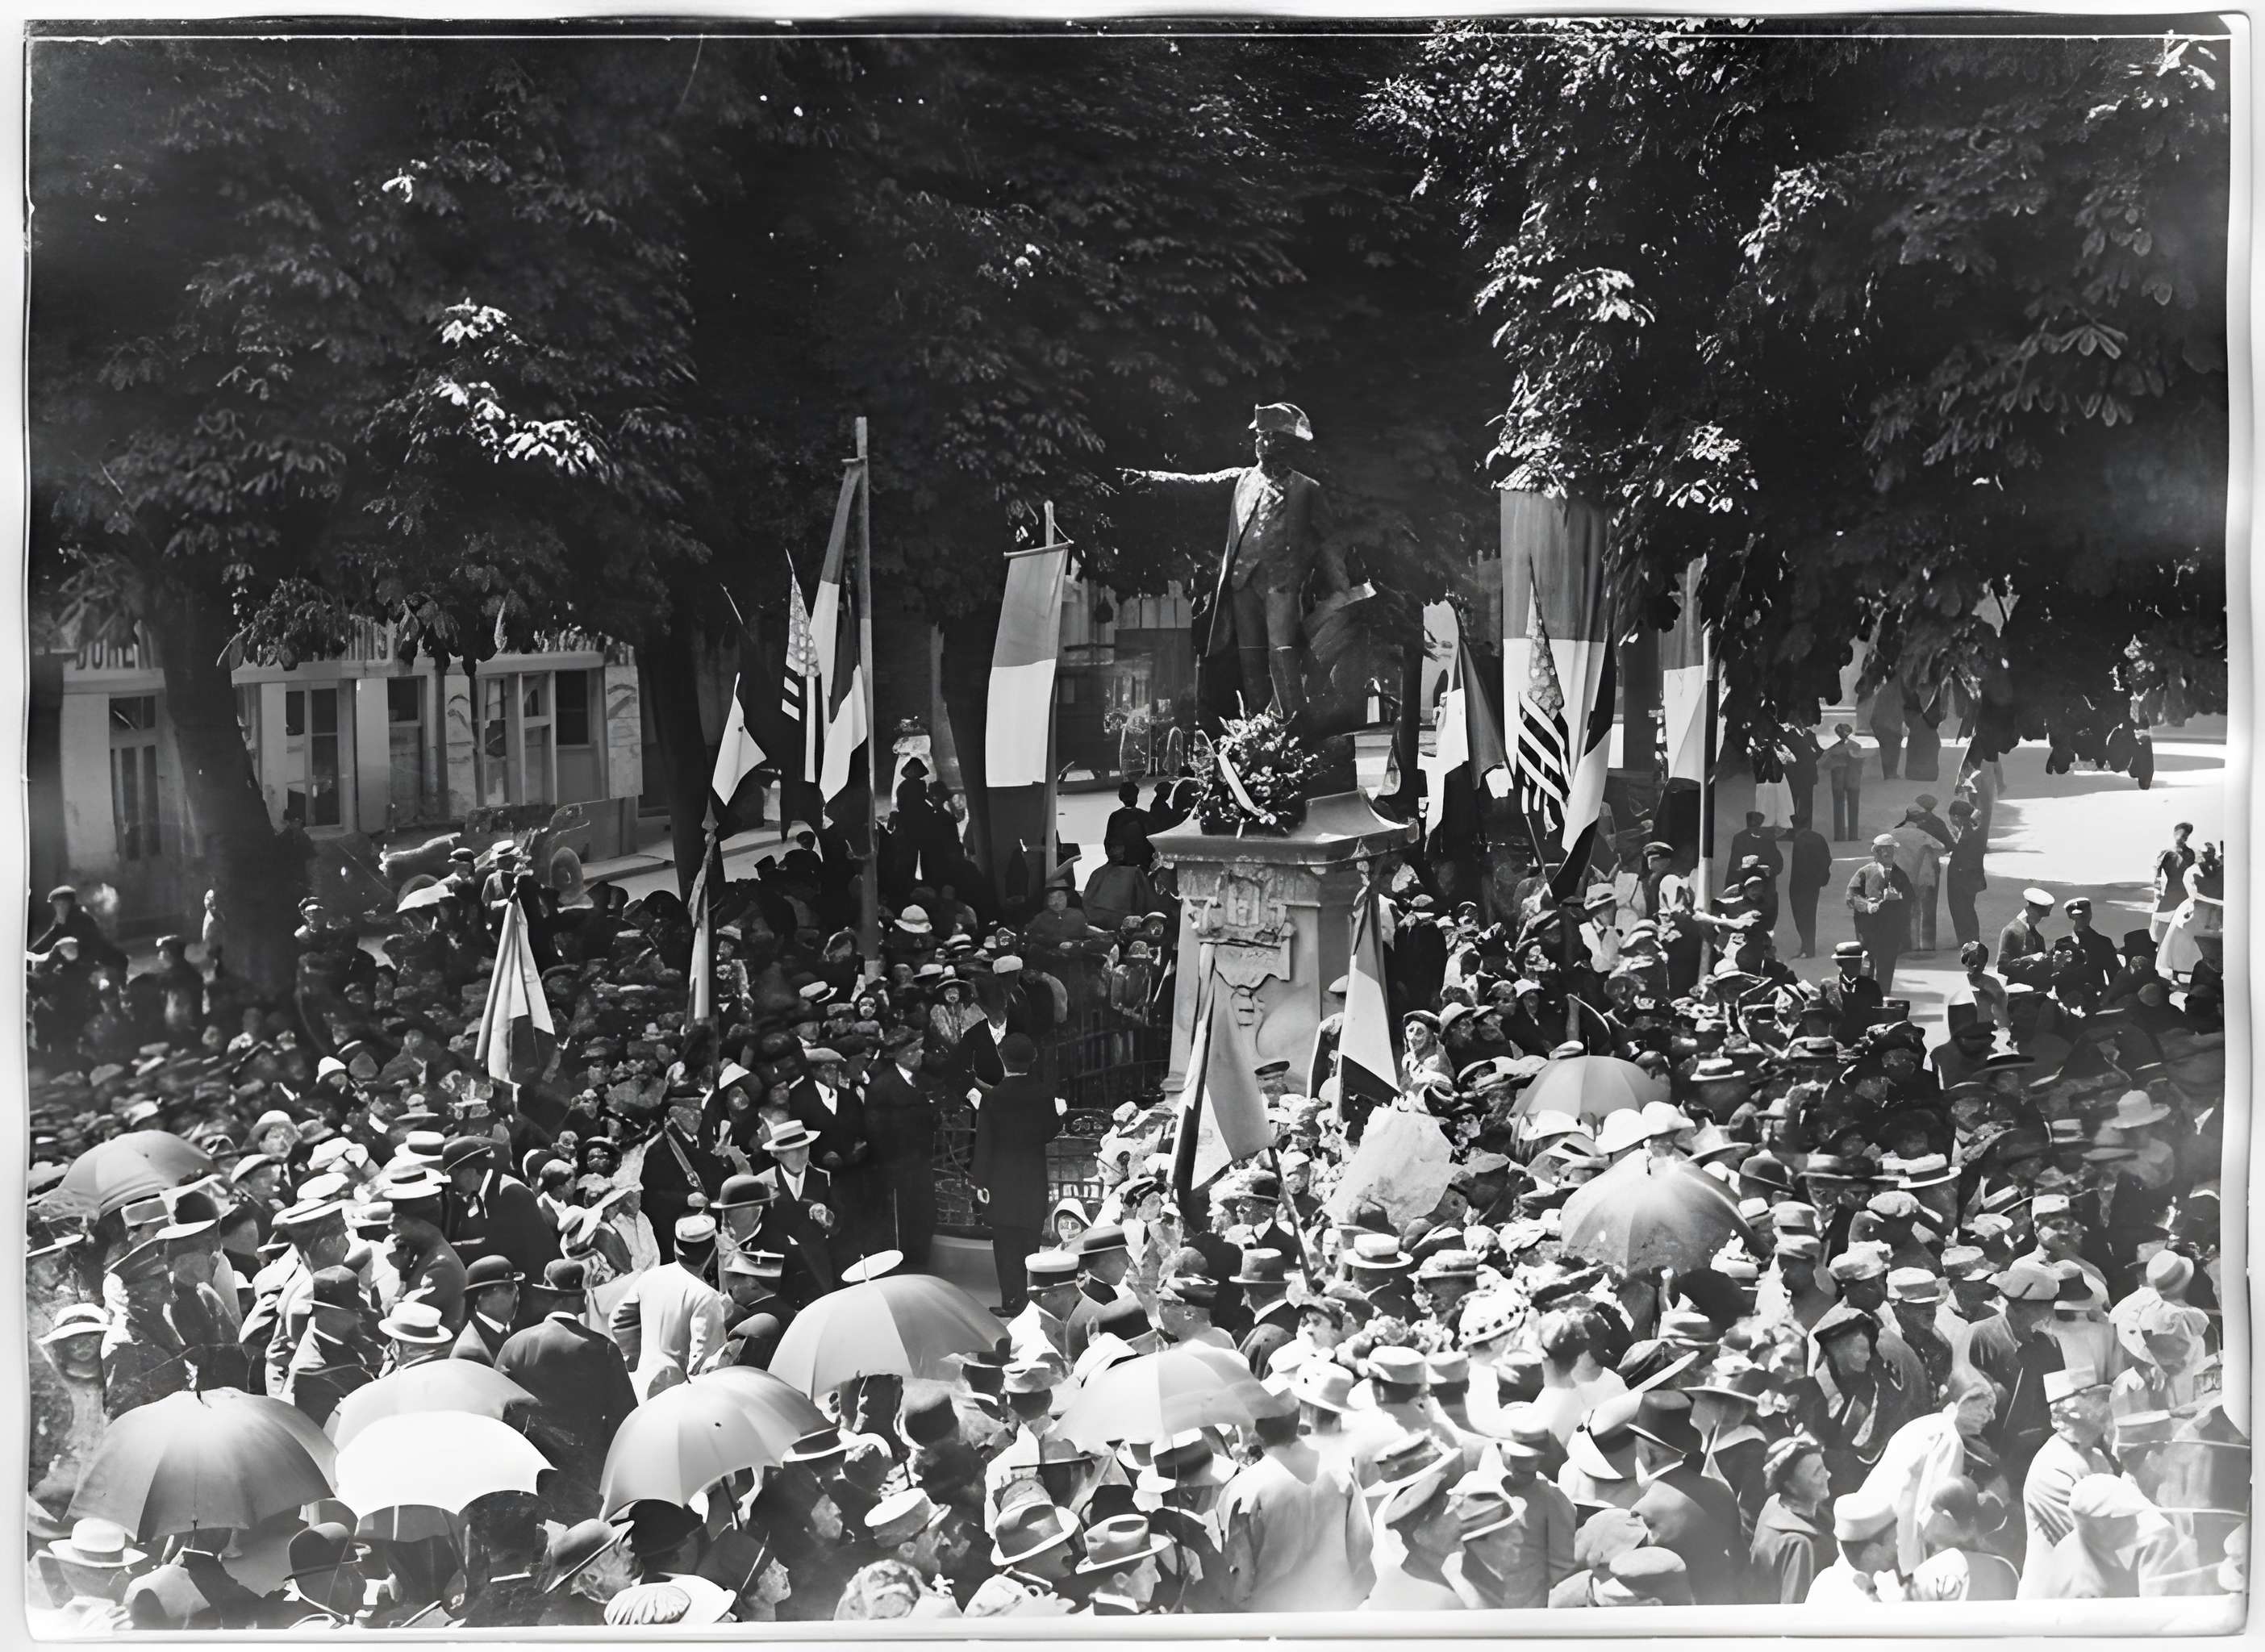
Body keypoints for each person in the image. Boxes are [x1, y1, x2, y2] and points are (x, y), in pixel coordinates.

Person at [1121, 401, 1350, 722]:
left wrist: (1341, 585)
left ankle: (1294, 726)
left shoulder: (1308, 490)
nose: (1261, 443)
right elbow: (1195, 485)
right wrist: (1150, 479)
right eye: (1260, 437)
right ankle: (1259, 728)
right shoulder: (1241, 479)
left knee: (1282, 656)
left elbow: (1330, 541)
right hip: (1242, 583)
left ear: (1280, 442)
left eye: (1267, 437)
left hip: (1282, 587)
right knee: (1251, 661)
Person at [1845, 836, 1913, 994]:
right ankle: (1866, 997)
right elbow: (1851, 897)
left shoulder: (1900, 874)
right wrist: (1867, 905)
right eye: (1884, 849)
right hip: (1868, 930)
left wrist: (1899, 896)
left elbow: (1911, 896)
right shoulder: (1864, 873)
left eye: (1891, 849)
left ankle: (1883, 997)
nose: (1888, 853)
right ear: (1875, 852)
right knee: (1866, 964)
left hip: (1891, 930)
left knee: (1887, 966)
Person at [1786, 818, 1832, 959]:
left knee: (1801, 916)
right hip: (1813, 884)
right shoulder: (1818, 838)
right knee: (1810, 915)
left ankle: (1807, 947)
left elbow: (1799, 867)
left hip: (1799, 885)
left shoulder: (1800, 841)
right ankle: (1807, 946)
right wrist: (1821, 878)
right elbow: (1827, 859)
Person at [1821, 724, 1864, 842]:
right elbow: (1860, 759)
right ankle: (1852, 835)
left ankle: (1840, 835)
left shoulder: (1833, 749)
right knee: (1852, 807)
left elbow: (1824, 764)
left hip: (1839, 779)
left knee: (1839, 807)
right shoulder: (1855, 746)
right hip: (1853, 779)